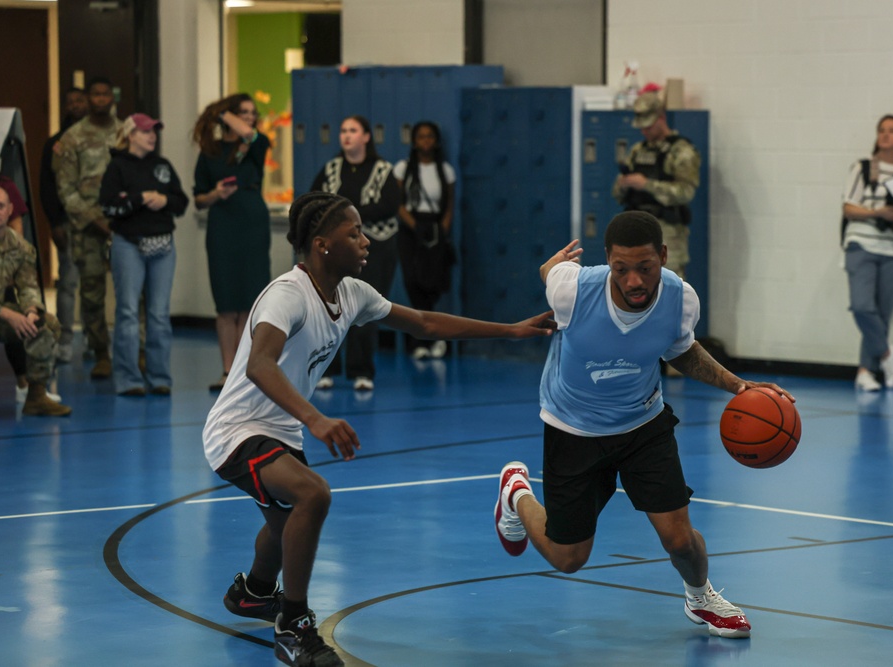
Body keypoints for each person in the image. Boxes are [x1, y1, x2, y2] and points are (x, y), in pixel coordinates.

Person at [204, 191, 555, 667]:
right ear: (323, 244)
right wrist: (316, 417)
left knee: (286, 519)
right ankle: (293, 625)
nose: (367, 241)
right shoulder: (287, 295)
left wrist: (511, 330)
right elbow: (259, 366)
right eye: (355, 233)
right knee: (312, 495)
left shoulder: (353, 293)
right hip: (236, 428)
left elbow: (426, 323)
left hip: (280, 426)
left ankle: (253, 592)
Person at [492, 211, 795, 639]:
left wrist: (738, 385)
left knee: (680, 540)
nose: (634, 280)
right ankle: (515, 491)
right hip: (573, 429)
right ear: (607, 262)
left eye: (645, 268)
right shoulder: (572, 289)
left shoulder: (681, 298)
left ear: (664, 257)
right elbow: (550, 270)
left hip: (642, 424)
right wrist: (551, 265)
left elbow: (681, 350)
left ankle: (700, 596)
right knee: (569, 558)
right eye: (621, 269)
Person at [0, 185, 72, 422]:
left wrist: (31, 311)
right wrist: (9, 315)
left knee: (46, 324)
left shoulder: (21, 247)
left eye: (0, 206)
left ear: (10, 210)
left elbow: (29, 287)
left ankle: (36, 395)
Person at [0, 125, 56, 404]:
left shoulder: (3, 184)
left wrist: (30, 309)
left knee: (37, 321)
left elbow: (16, 236)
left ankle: (34, 391)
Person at [100, 114, 188, 396]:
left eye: (154, 131)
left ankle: (160, 377)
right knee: (127, 312)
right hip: (128, 244)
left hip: (162, 245)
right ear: (130, 135)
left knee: (159, 313)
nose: (152, 136)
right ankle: (128, 379)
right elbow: (108, 206)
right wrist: (138, 199)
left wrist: (163, 200)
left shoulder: (162, 166)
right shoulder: (117, 167)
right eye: (145, 131)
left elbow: (181, 201)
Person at [310, 115, 399, 391]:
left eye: (353, 130)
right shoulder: (331, 168)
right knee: (329, 308)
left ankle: (362, 371)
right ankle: (328, 369)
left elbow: (389, 205)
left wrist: (348, 216)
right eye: (343, 130)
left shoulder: (383, 169)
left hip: (377, 247)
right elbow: (316, 200)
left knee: (365, 309)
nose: (346, 135)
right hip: (336, 251)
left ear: (366, 137)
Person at [193, 93, 272, 392]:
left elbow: (250, 135)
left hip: (252, 223)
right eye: (243, 112)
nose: (250, 117)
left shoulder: (257, 144)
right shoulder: (210, 151)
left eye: (253, 112)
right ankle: (228, 371)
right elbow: (198, 198)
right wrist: (215, 194)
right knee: (226, 304)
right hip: (222, 226)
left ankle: (247, 371)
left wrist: (225, 114)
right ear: (230, 115)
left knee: (251, 304)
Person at [841, 115, 893, 392]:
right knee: (862, 306)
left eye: (892, 131)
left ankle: (866, 371)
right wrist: (877, 212)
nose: (886, 135)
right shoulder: (864, 168)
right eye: (882, 131)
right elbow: (849, 207)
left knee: (882, 314)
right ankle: (887, 353)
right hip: (862, 243)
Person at [54, 76, 120, 379]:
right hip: (88, 228)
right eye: (95, 93)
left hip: (126, 226)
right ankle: (100, 352)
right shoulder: (72, 138)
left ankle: (137, 353)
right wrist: (96, 220)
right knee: (92, 294)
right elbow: (66, 189)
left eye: (105, 93)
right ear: (88, 98)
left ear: (112, 97)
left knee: (135, 296)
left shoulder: (126, 133)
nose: (100, 98)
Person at [612, 90, 700, 280]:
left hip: (667, 234)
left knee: (669, 288)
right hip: (637, 232)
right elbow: (616, 194)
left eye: (649, 126)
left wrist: (647, 185)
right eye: (642, 128)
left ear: (661, 118)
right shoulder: (637, 151)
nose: (645, 132)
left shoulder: (681, 151)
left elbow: (686, 192)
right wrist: (624, 184)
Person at [393, 121, 456, 360]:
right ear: (414, 141)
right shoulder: (403, 168)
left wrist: (443, 228)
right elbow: (397, 202)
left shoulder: (446, 171)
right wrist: (414, 226)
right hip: (411, 229)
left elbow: (449, 204)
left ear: (436, 140)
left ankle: (429, 337)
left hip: (435, 228)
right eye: (421, 136)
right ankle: (425, 337)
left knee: (432, 284)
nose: (425, 141)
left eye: (430, 136)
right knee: (413, 281)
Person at [41, 87, 89, 364]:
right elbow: (47, 187)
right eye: (70, 101)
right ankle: (65, 341)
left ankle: (98, 344)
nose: (75, 105)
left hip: (100, 226)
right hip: (68, 224)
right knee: (68, 284)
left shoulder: (104, 138)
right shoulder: (55, 143)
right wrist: (55, 223)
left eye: (79, 100)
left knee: (95, 288)